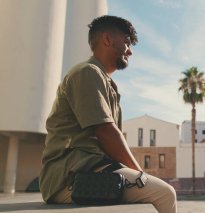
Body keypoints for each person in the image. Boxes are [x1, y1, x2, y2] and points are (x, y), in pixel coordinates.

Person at [39, 15, 177, 213]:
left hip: (92, 171)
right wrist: (140, 174)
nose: (130, 51)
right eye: (127, 43)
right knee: (165, 193)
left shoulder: (107, 84)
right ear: (107, 39)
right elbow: (107, 132)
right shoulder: (87, 72)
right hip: (69, 179)